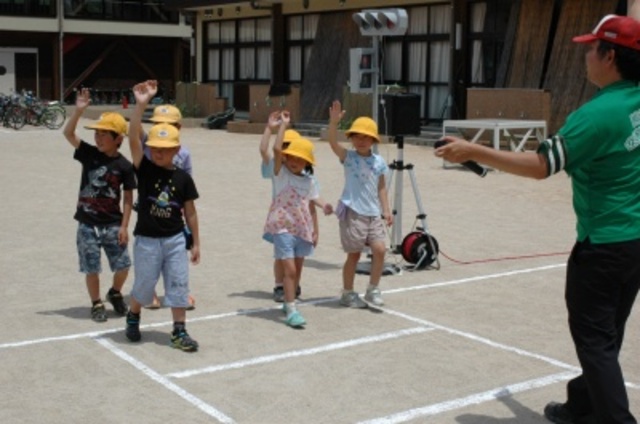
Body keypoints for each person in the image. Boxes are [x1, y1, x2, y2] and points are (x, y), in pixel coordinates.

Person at [435, 14, 640, 424]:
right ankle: (581, 403)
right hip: (634, 241)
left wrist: (475, 151)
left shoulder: (598, 115)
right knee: (606, 335)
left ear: (610, 55)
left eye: (592, 47)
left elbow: (541, 164)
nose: (585, 54)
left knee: (595, 341)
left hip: (603, 245)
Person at [126, 80, 201, 352]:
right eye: (155, 147)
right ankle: (133, 315)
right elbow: (133, 136)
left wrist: (196, 242)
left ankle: (179, 331)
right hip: (146, 240)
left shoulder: (183, 178)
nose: (158, 151)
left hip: (174, 240)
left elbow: (190, 211)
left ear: (177, 150)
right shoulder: (144, 168)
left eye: (165, 148)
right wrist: (141, 104)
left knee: (178, 285)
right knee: (145, 287)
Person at [62, 89, 136, 322]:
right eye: (97, 133)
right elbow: (68, 133)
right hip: (87, 223)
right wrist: (79, 111)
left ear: (118, 139)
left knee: (123, 266)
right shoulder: (89, 154)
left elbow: (127, 199)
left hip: (112, 223)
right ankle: (96, 303)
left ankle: (114, 292)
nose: (98, 138)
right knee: (91, 267)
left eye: (104, 134)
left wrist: (124, 226)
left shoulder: (124, 166)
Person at [263, 111, 332, 327]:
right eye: (290, 157)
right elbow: (275, 149)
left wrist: (325, 206)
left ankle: (288, 300)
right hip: (282, 227)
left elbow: (315, 199)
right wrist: (283, 125)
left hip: (302, 228)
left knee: (298, 269)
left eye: (299, 159)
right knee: (290, 270)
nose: (293, 162)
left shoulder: (309, 180)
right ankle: (291, 309)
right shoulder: (280, 173)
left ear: (307, 163)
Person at [327, 101, 393, 308]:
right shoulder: (348, 157)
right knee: (354, 255)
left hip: (373, 213)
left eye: (366, 137)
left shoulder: (379, 161)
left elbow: (381, 187)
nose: (361, 140)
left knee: (380, 249)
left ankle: (373, 289)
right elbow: (332, 144)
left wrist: (386, 209)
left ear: (373, 139)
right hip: (353, 211)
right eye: (356, 136)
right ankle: (347, 292)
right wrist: (333, 123)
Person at [138, 104, 195, 310]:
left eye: (168, 124)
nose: (161, 126)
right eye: (156, 123)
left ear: (178, 127)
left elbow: (187, 181)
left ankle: (179, 292)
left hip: (174, 206)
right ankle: (150, 291)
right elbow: (133, 132)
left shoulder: (183, 153)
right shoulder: (148, 146)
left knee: (177, 254)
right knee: (151, 256)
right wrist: (140, 105)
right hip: (151, 206)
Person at [259, 111, 318, 302]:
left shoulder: (306, 177)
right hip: (282, 218)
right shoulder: (278, 169)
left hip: (299, 221)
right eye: (284, 146)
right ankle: (279, 285)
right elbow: (265, 149)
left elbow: (311, 203)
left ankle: (292, 284)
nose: (287, 152)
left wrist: (315, 228)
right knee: (281, 257)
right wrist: (271, 128)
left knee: (296, 258)